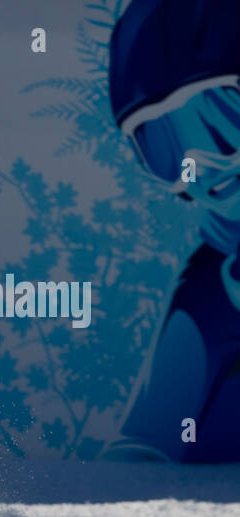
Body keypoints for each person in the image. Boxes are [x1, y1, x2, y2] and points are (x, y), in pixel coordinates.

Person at [103, 0, 240, 461]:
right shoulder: (212, 290)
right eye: (166, 145)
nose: (203, 168)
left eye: (222, 118)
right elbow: (143, 448)